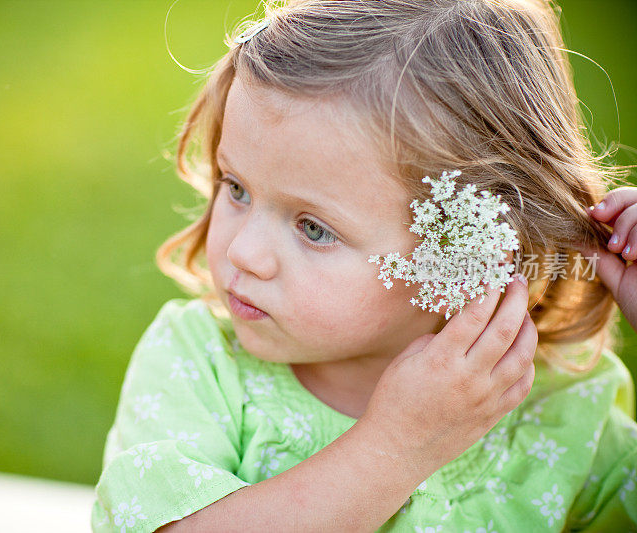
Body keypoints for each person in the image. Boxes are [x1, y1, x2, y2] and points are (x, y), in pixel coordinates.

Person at [91, 0, 637, 531]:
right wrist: (393, 450)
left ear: (466, 258)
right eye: (236, 187)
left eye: (313, 228)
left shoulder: (559, 415)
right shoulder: (200, 364)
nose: (241, 252)